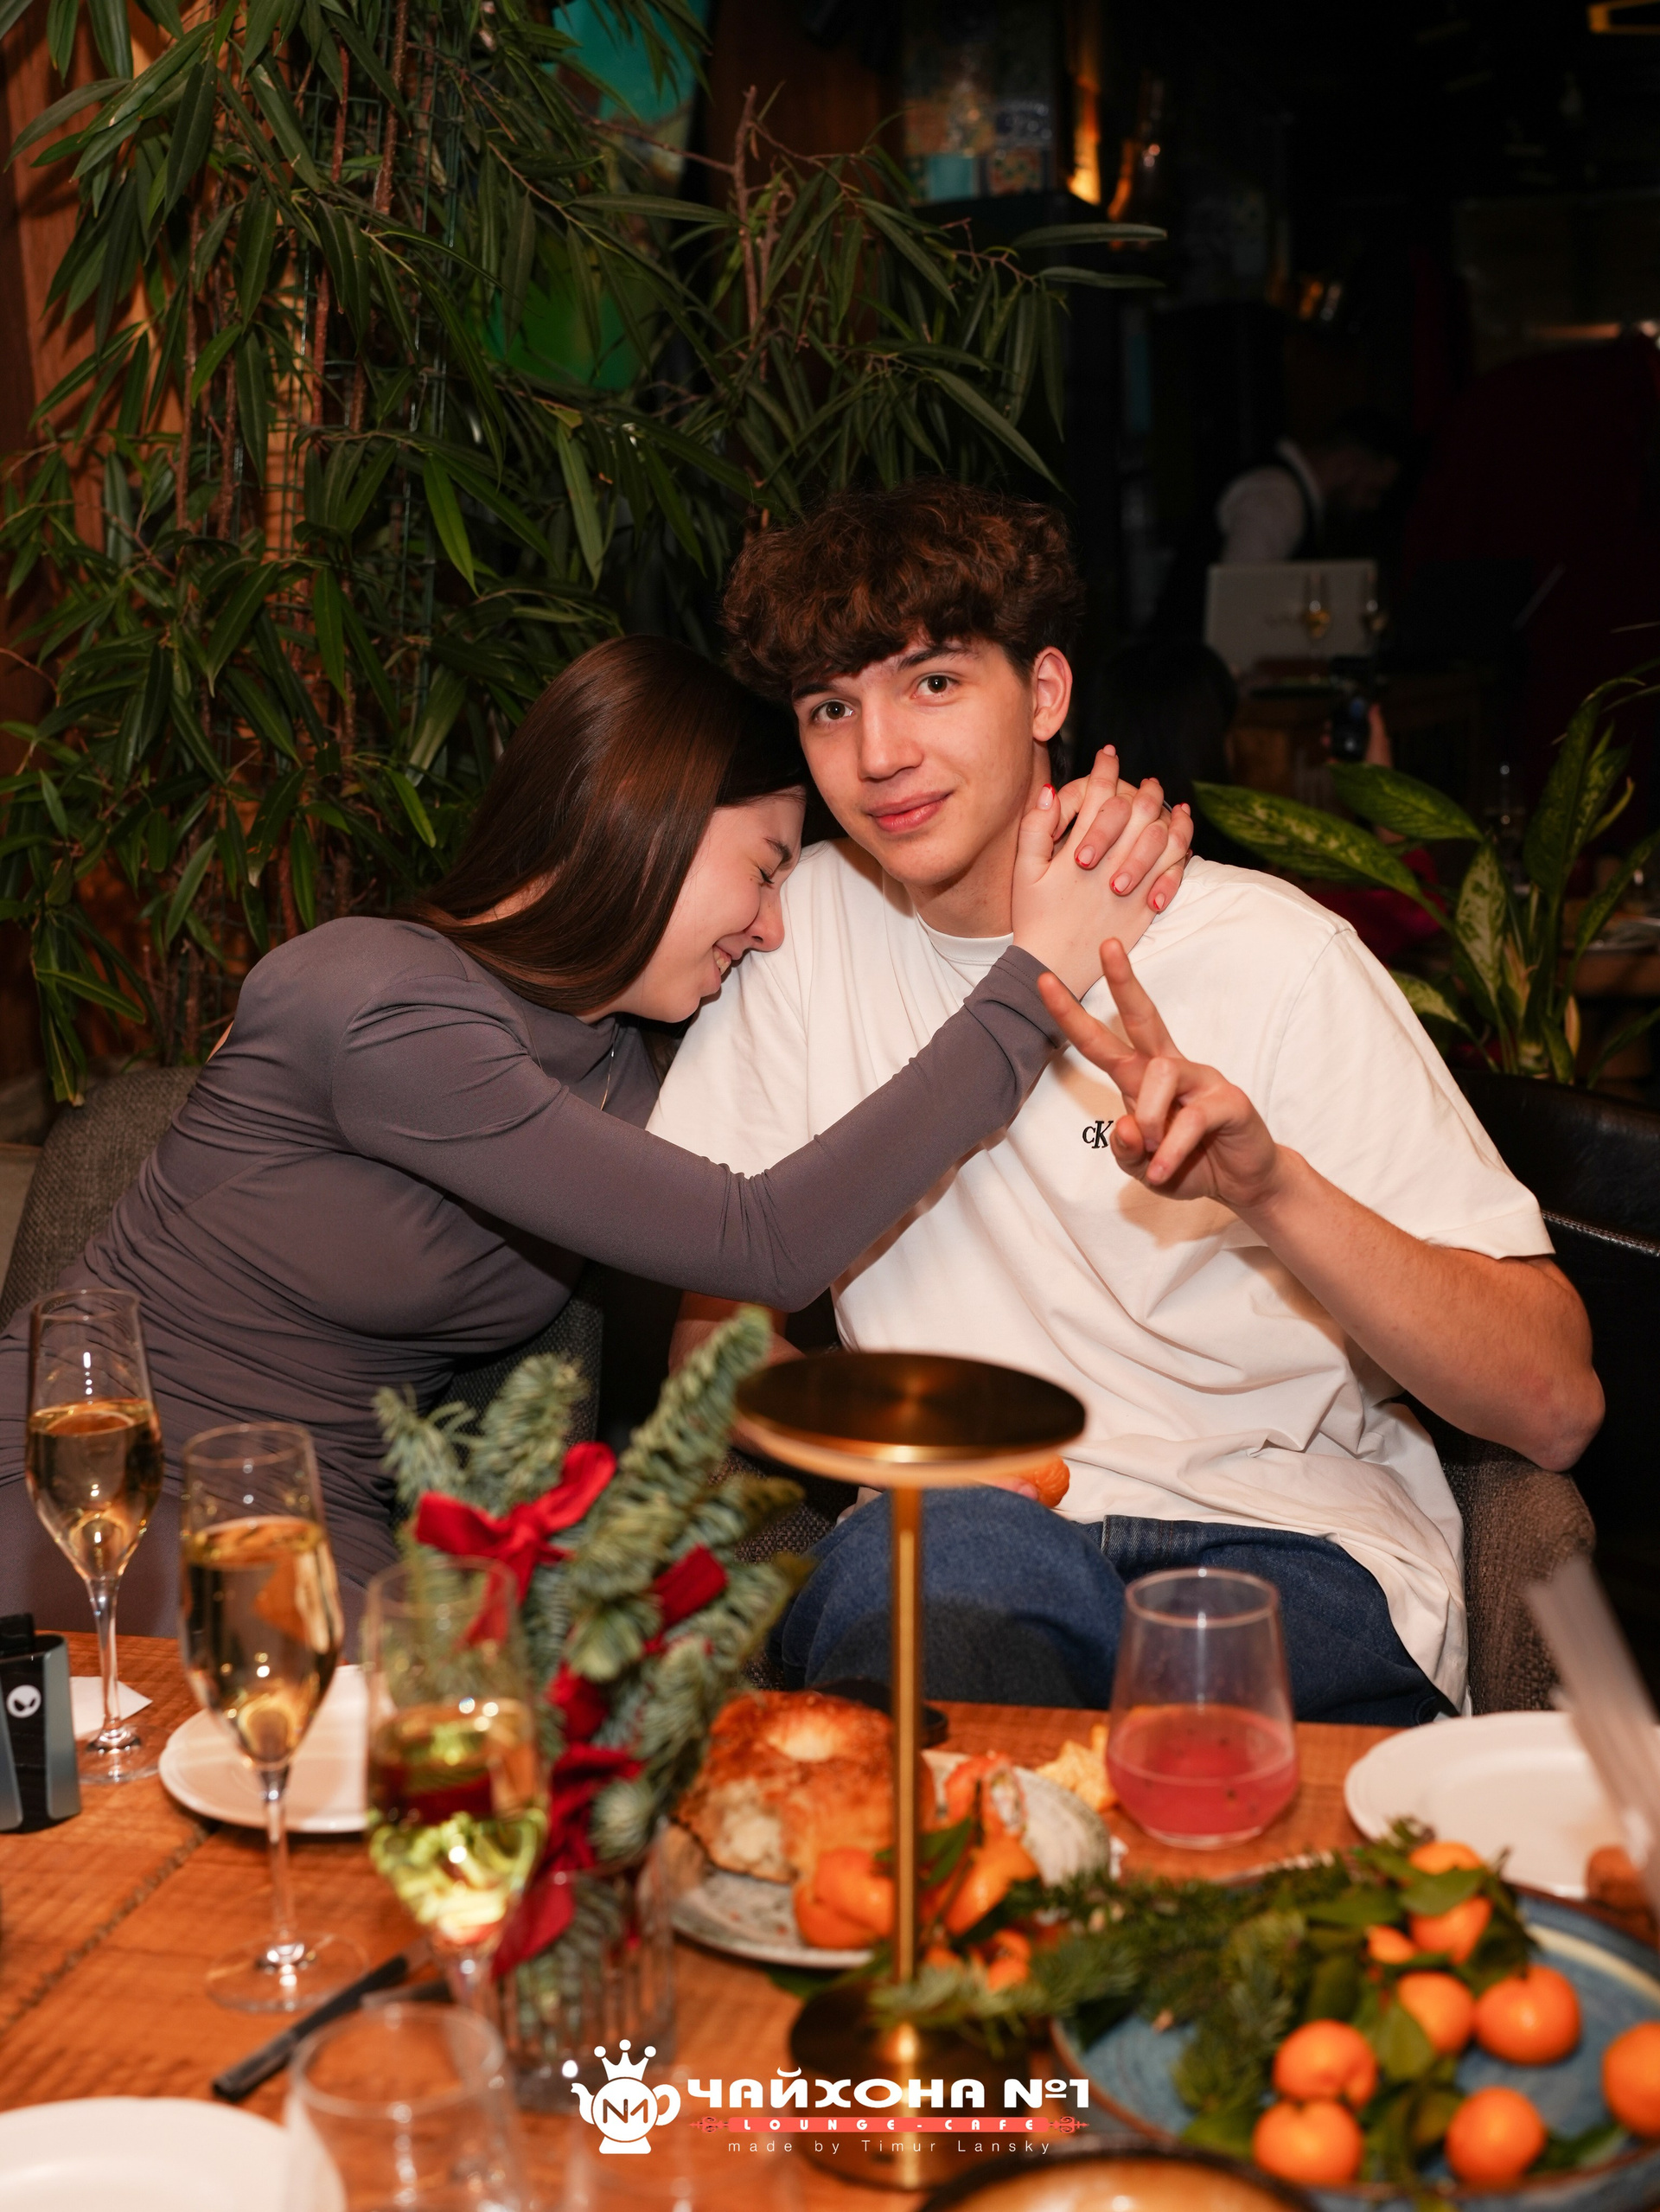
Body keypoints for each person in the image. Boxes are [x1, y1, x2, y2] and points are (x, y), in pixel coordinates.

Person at [0, 634, 1190, 1633]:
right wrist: (1037, 973)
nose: (773, 927)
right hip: (96, 1481)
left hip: (320, 1525)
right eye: (764, 870)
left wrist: (1052, 835)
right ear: (645, 820)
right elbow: (766, 1238)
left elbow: (817, 1150)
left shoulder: (623, 1069)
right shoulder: (375, 997)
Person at [653, 480, 1602, 1725]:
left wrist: (1272, 1188)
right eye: (832, 706)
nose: (878, 754)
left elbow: (1555, 1403)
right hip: (964, 1535)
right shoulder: (803, 938)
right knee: (948, 1580)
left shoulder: (1270, 953)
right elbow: (710, 1350)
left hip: (1283, 1543)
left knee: (1167, 1713)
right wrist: (903, 1463)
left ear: (1045, 692)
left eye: (933, 682)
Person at [1152, 407, 1404, 639]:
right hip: (1189, 667)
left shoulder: (1287, 494)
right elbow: (1239, 607)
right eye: (1373, 490)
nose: (1373, 505)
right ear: (1348, 464)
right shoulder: (1278, 496)